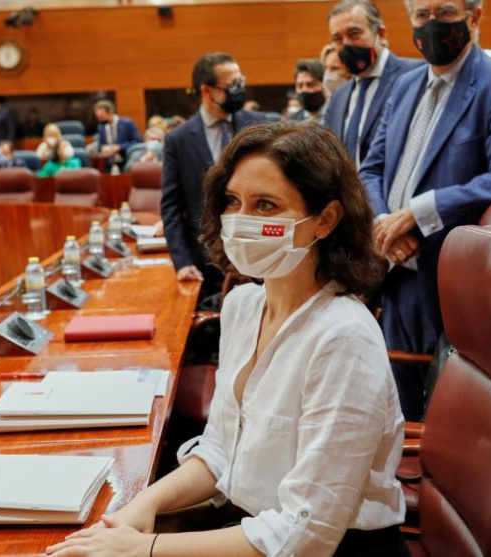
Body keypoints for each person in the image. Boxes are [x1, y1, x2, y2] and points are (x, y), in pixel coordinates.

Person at [47, 121, 408, 557]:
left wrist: (144, 548)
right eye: (234, 202)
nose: (241, 220)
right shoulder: (243, 306)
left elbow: (307, 534)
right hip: (247, 528)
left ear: (325, 220)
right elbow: (220, 450)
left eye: (265, 205)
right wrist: (143, 506)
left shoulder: (344, 339)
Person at [360, 0, 491, 420]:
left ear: (473, 18)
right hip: (393, 274)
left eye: (444, 13)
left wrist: (419, 212)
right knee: (396, 413)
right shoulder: (404, 85)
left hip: (452, 281)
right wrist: (384, 222)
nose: (431, 24)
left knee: (448, 420)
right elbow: (371, 168)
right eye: (421, 15)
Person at [160, 52, 267, 296]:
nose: (240, 89)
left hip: (259, 256)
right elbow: (172, 207)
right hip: (205, 264)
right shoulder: (178, 139)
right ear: (207, 91)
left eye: (241, 81)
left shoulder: (259, 124)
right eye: (232, 84)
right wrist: (182, 262)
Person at [324, 0, 420, 168]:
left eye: (354, 34)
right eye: (337, 39)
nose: (346, 44)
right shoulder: (339, 96)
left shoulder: (415, 77)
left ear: (381, 34)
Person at [95, 99, 143, 165]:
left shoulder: (127, 124)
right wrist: (103, 149)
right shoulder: (101, 127)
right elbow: (100, 144)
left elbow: (138, 141)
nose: (100, 120)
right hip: (108, 160)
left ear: (110, 113)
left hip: (125, 157)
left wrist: (120, 147)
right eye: (98, 118)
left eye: (102, 117)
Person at [289, 59, 328, 124]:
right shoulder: (292, 120)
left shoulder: (337, 115)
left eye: (310, 85)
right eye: (300, 86)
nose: (304, 90)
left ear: (323, 84)